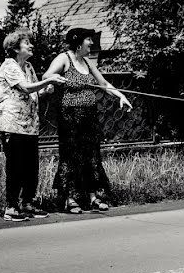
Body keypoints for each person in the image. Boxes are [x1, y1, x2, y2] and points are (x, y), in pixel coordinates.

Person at [43, 27, 132, 213]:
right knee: (71, 156)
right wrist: (56, 79)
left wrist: (121, 96)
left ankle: (92, 198)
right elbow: (46, 76)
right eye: (88, 40)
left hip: (89, 115)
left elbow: (104, 84)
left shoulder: (88, 62)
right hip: (70, 116)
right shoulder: (64, 59)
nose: (91, 43)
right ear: (78, 42)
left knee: (91, 155)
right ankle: (70, 199)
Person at [0, 29, 66, 221]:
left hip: (30, 126)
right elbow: (25, 88)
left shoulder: (28, 67)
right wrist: (49, 79)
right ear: (15, 47)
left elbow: (34, 92)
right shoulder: (9, 66)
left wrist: (46, 90)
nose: (31, 45)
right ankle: (11, 208)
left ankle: (28, 203)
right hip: (13, 124)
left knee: (30, 168)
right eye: (27, 43)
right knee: (16, 167)